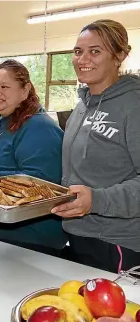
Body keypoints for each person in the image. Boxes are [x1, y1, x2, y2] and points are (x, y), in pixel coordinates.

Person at [51, 19, 140, 273]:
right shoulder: (83, 104)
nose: (83, 59)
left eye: (95, 51)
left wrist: (97, 200)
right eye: (78, 52)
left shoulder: (133, 105)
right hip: (79, 233)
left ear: (120, 55)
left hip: (118, 242)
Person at [0, 59, 67, 255]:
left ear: (25, 90)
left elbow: (43, 183)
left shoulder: (39, 127)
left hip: (26, 243)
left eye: (4, 87)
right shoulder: (4, 120)